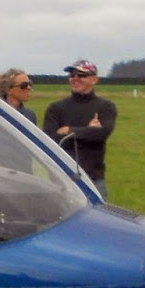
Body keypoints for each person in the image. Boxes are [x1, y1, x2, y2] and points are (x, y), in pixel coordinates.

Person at [43, 59, 118, 199]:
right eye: (72, 75)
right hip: (61, 178)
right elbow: (50, 141)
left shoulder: (106, 107)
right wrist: (88, 131)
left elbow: (102, 134)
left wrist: (68, 130)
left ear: (94, 79)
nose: (75, 79)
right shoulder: (55, 108)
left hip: (93, 179)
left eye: (81, 75)